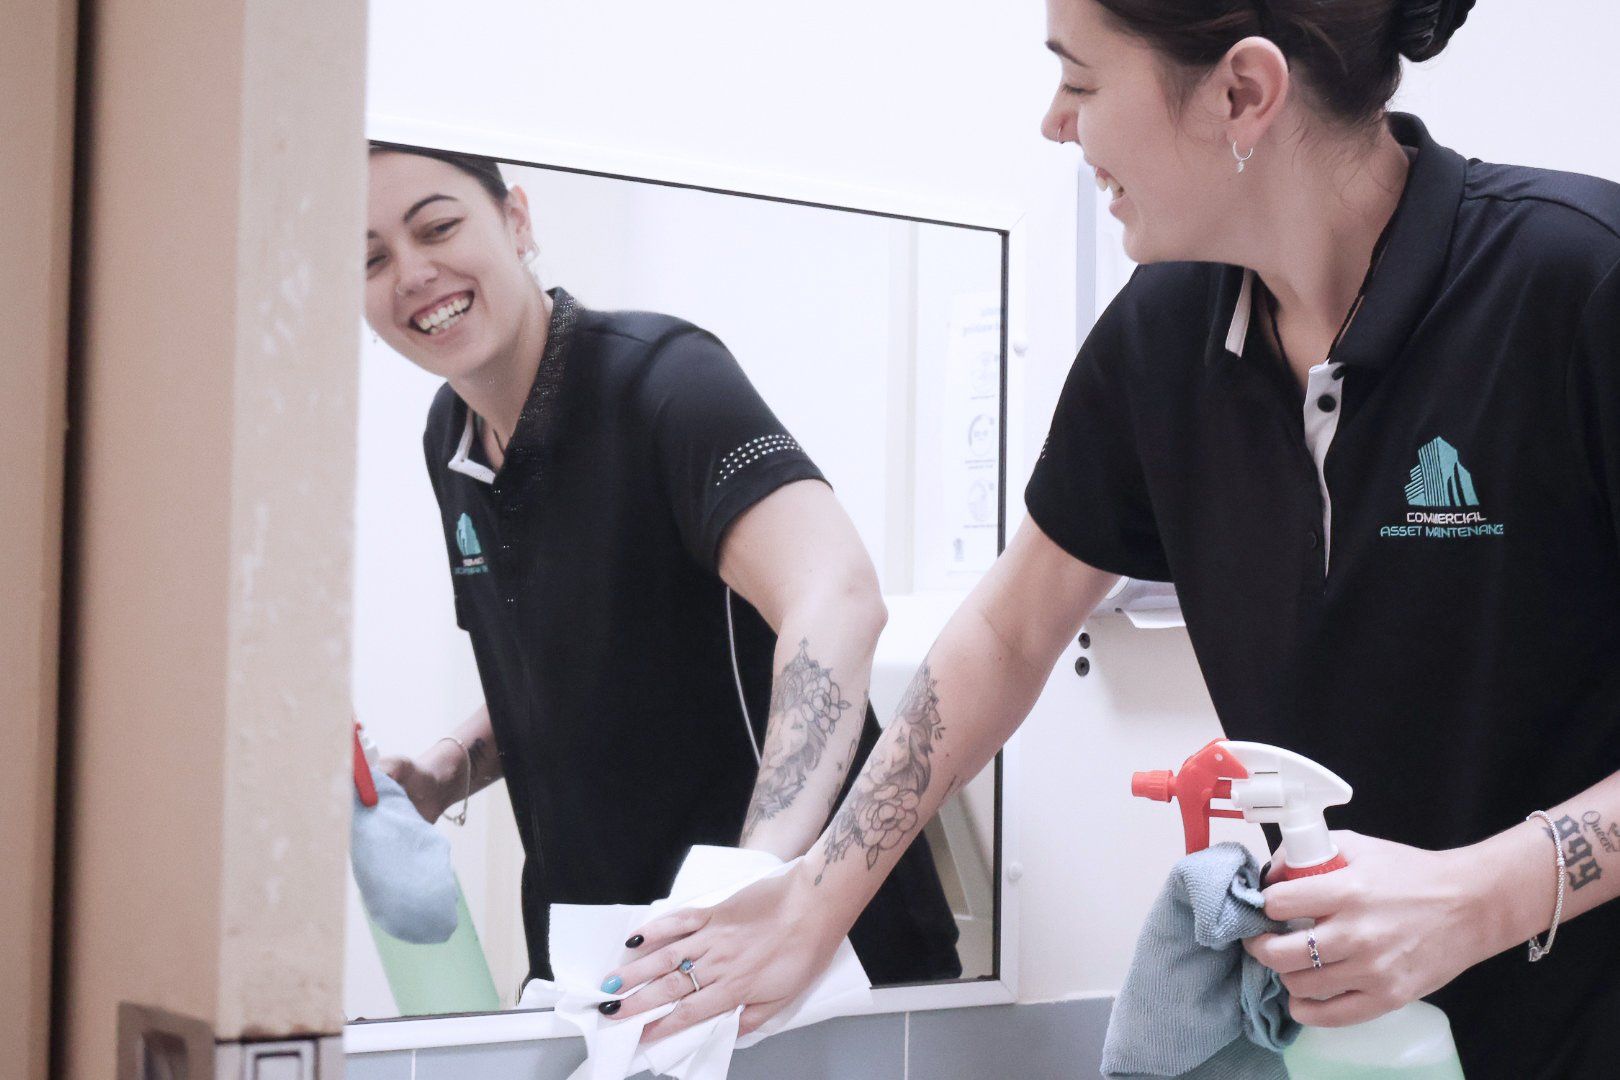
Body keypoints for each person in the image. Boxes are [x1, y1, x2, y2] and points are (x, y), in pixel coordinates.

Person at [592, 2, 1620, 1075]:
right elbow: (1011, 627)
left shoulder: (1578, 280)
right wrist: (817, 894)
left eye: (1080, 83)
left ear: (1242, 93)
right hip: (1356, 1043)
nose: (1054, 123)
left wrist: (1487, 895)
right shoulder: (1163, 336)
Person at [361, 144, 961, 987]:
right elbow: (562, 677)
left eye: (438, 227)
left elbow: (839, 597)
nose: (413, 273)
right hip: (615, 968)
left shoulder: (665, 382)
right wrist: (442, 770)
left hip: (808, 958)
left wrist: (752, 877)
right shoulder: (449, 439)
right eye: (372, 257)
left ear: (517, 219)